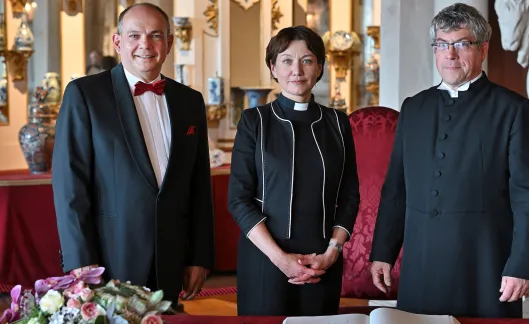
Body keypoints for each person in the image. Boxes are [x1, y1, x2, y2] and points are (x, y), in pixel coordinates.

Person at [370, 3, 529, 319]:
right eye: (442, 44)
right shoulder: (414, 108)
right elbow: (396, 189)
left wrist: (522, 266)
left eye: (462, 44)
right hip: (422, 266)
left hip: (484, 266)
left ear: (483, 49)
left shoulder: (515, 111)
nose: (450, 54)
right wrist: (383, 252)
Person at [52, 2, 214, 308]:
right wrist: (81, 258)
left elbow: (199, 188)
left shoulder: (190, 101)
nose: (145, 45)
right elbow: (70, 186)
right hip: (110, 257)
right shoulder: (84, 95)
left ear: (168, 44)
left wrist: (199, 256)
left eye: (155, 36)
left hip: (171, 258)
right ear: (118, 42)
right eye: (134, 35)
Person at [228, 25, 360, 316]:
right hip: (264, 257)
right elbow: (238, 200)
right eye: (286, 60)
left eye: (307, 60)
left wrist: (332, 252)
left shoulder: (338, 123)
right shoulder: (254, 121)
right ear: (273, 68)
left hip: (322, 259)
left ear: (320, 67)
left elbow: (350, 196)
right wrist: (280, 259)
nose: (296, 70)